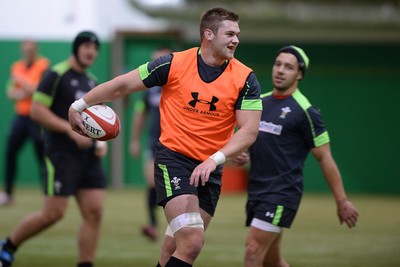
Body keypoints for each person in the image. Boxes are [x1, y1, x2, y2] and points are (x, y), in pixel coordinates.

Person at [68, 7, 262, 267]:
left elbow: (249, 130)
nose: (235, 39)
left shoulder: (245, 78)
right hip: (174, 161)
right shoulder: (173, 64)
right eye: (229, 34)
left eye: (237, 34)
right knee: (192, 242)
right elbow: (123, 85)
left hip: (210, 169)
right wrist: (78, 105)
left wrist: (218, 158)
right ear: (208, 34)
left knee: (173, 247)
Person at [233, 45, 359, 267]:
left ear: (299, 74)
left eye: (288, 67)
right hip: (257, 190)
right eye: (278, 64)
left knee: (253, 251)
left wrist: (342, 201)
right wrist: (241, 154)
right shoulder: (259, 102)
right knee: (273, 262)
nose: (280, 70)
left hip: (281, 193)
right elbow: (248, 141)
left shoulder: (306, 112)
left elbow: (325, 158)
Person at [0, 31, 108, 267]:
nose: (91, 51)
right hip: (61, 154)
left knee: (95, 212)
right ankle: (7, 246)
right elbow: (36, 111)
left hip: (88, 157)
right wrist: (69, 129)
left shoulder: (92, 81)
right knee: (53, 214)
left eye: (95, 48)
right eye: (86, 46)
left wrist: (100, 143)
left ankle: (85, 264)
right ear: (76, 48)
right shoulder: (56, 74)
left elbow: (98, 118)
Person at [130, 47, 173, 241]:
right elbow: (140, 114)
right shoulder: (149, 90)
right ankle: (153, 225)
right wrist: (134, 140)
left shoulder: (177, 84)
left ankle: (177, 225)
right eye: (153, 61)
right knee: (152, 182)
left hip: (176, 143)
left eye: (160, 60)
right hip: (153, 141)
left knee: (173, 185)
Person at [0, 39, 49, 206]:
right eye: (25, 50)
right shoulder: (17, 67)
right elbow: (11, 93)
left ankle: (47, 193)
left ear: (35, 50)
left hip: (37, 116)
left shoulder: (43, 65)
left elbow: (41, 89)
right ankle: (7, 193)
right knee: (10, 152)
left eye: (30, 49)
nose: (28, 52)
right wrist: (26, 90)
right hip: (21, 116)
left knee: (42, 155)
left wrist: (23, 83)